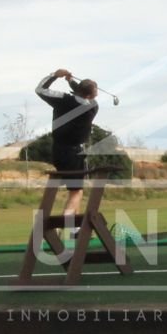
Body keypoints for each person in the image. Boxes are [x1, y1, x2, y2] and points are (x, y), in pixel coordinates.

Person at [35, 68, 101, 230]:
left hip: (57, 150)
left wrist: (55, 76)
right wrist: (71, 82)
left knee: (75, 190)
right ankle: (65, 222)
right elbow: (81, 95)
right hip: (74, 154)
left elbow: (40, 90)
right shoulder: (92, 107)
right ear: (90, 96)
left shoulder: (63, 99)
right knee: (76, 192)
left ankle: (75, 230)